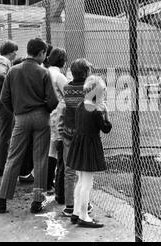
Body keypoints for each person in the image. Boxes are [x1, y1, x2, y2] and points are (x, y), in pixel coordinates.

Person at [0, 37, 58, 214]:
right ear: (41, 53)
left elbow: (4, 98)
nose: (44, 58)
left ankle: (2, 201)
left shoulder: (13, 70)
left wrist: (16, 111)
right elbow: (53, 100)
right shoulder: (43, 72)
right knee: (40, 160)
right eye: (44, 55)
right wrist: (44, 110)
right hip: (41, 118)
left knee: (13, 158)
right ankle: (37, 202)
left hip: (21, 118)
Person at [67, 75, 112, 228]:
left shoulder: (80, 105)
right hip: (89, 146)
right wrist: (106, 113)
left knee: (80, 181)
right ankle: (84, 216)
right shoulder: (96, 110)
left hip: (79, 145)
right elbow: (106, 128)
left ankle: (76, 212)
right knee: (87, 183)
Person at [56, 59, 92, 216]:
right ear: (86, 72)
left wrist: (60, 130)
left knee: (69, 170)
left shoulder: (68, 88)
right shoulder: (90, 89)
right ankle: (85, 204)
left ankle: (70, 206)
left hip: (69, 134)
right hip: (85, 136)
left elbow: (63, 111)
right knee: (85, 172)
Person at [0, 40, 18, 176]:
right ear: (10, 52)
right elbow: (1, 75)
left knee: (3, 132)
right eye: (14, 51)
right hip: (4, 102)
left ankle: (1, 163)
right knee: (6, 133)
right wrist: (11, 86)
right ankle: (3, 165)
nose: (15, 54)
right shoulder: (4, 62)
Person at [47, 47, 68, 193]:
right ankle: (54, 183)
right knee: (57, 148)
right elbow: (69, 95)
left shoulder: (45, 72)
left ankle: (47, 181)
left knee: (50, 148)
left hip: (46, 112)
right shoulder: (59, 76)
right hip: (58, 114)